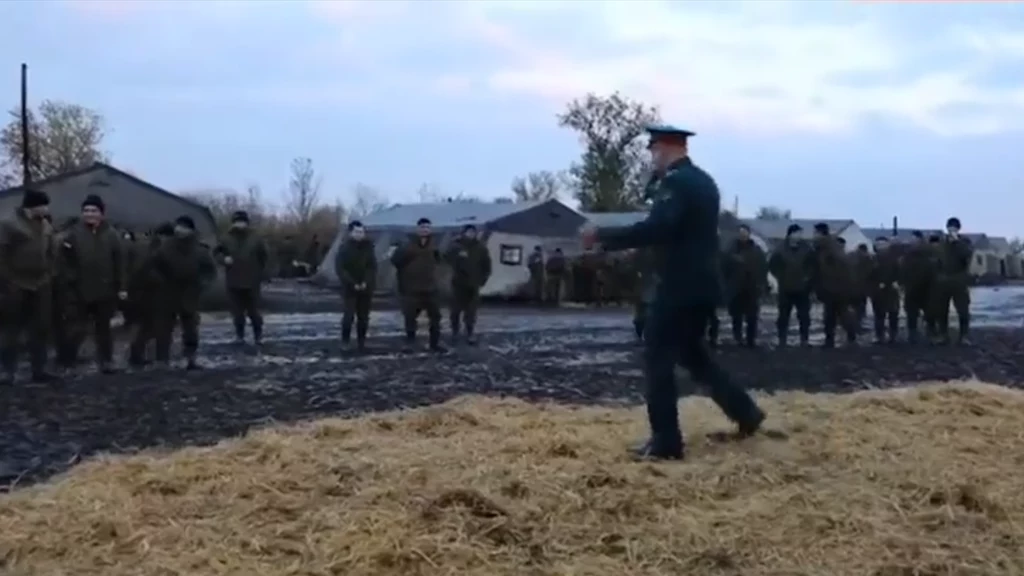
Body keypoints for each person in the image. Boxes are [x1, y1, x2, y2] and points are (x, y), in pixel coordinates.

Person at [581, 124, 764, 461]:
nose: (651, 157)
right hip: (702, 285)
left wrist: (603, 235)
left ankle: (666, 442)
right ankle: (746, 413)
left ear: (665, 148)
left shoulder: (677, 183)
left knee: (658, 359)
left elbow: (660, 227)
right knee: (695, 358)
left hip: (680, 285)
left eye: (653, 151)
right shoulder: (704, 181)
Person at [57, 194, 127, 373]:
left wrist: (122, 287)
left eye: (94, 210)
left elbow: (119, 262)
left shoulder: (112, 234)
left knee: (104, 329)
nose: (89, 214)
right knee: (76, 328)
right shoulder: (72, 234)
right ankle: (67, 362)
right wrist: (71, 280)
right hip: (79, 290)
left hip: (105, 289)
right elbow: (64, 261)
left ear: (101, 213)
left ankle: (106, 362)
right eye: (86, 210)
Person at [0, 189, 59, 384]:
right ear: (31, 206)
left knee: (40, 328)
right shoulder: (9, 223)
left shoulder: (45, 225)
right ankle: (7, 371)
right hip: (15, 283)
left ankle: (39, 369)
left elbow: (52, 252)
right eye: (43, 205)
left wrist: (49, 274)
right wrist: (7, 280)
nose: (46, 209)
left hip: (41, 283)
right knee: (12, 329)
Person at [146, 216, 216, 369]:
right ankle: (162, 359)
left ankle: (191, 358)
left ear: (191, 230)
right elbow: (153, 266)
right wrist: (159, 281)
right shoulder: (165, 247)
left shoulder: (199, 249)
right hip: (167, 291)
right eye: (178, 226)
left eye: (184, 227)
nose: (180, 229)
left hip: (190, 292)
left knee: (190, 328)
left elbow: (209, 271)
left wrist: (201, 285)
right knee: (163, 328)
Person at [214, 210, 269, 345]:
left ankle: (258, 335)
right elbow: (216, 252)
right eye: (237, 222)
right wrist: (223, 259)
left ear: (247, 223)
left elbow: (265, 256)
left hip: (252, 280)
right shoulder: (226, 238)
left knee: (254, 311)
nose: (240, 224)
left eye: (242, 222)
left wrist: (261, 273)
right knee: (237, 313)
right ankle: (240, 335)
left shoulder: (256, 238)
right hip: (233, 279)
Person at [390, 217, 444, 352]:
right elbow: (395, 261)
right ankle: (410, 343)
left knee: (435, 318)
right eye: (422, 227)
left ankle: (434, 343)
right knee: (410, 317)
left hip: (430, 288)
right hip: (411, 288)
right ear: (417, 229)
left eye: (427, 227)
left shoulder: (434, 245)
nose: (425, 230)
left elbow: (439, 261)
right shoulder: (407, 245)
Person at [127, 222, 174, 367]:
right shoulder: (160, 249)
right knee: (159, 328)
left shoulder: (144, 246)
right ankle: (160, 358)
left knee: (146, 328)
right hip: (154, 294)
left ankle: (138, 357)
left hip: (144, 294)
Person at [811, 223, 857, 348]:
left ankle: (833, 339)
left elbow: (828, 268)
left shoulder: (826, 247)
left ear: (820, 233)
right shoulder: (832, 245)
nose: (813, 235)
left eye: (815, 233)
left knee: (834, 314)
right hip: (837, 286)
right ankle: (846, 336)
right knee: (838, 313)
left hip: (833, 287)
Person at [445, 224, 492, 345]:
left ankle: (469, 332)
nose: (470, 234)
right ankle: (455, 331)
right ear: (464, 233)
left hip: (473, 284)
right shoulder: (456, 246)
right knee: (455, 310)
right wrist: (456, 253)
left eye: (473, 232)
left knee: (471, 311)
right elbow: (446, 258)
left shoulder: (480, 248)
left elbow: (487, 265)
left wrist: (482, 280)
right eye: (468, 232)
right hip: (458, 283)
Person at [334, 220, 377, 351]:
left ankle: (361, 341)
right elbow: (341, 269)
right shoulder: (344, 249)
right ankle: (345, 341)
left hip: (366, 287)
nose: (360, 234)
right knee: (349, 315)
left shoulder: (369, 248)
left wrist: (366, 282)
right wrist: (352, 283)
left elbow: (372, 266)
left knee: (363, 317)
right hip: (349, 288)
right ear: (351, 233)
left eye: (361, 232)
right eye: (357, 232)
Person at [722, 224, 767, 347]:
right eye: (741, 232)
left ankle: (751, 340)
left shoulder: (757, 251)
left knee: (752, 317)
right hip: (735, 288)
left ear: (749, 233)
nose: (743, 234)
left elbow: (763, 269)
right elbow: (724, 268)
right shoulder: (730, 250)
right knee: (736, 316)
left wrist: (762, 285)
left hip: (752, 288)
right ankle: (738, 338)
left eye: (745, 232)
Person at [768, 224, 813, 346]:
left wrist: (807, 278)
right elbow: (773, 264)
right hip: (785, 287)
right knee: (783, 316)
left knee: (804, 316)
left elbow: (813, 266)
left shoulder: (807, 249)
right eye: (797, 233)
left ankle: (804, 339)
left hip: (802, 288)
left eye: (800, 233)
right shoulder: (781, 248)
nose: (799, 236)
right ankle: (782, 339)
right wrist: (781, 276)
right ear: (790, 234)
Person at [933, 217, 973, 345]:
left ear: (958, 229)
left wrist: (957, 242)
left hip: (959, 280)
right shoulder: (942, 243)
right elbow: (937, 260)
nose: (951, 230)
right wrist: (938, 276)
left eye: (954, 228)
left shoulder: (964, 242)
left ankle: (964, 336)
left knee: (963, 309)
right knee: (941, 310)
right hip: (943, 281)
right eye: (950, 228)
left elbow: (966, 256)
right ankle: (943, 335)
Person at [900, 231, 939, 343]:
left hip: (926, 286)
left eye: (914, 239)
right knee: (912, 312)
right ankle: (914, 333)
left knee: (929, 311)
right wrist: (902, 283)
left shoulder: (928, 252)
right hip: (913, 287)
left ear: (920, 239)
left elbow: (935, 269)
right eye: (911, 239)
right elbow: (903, 269)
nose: (912, 241)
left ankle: (929, 331)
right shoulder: (908, 254)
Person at [868, 235, 901, 344]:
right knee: (879, 315)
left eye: (883, 244)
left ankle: (893, 335)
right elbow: (868, 275)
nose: (881, 246)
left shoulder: (894, 259)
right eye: (878, 244)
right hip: (877, 291)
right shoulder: (872, 259)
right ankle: (879, 335)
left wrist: (896, 282)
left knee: (893, 314)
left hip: (892, 290)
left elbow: (900, 272)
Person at [849, 243, 873, 332]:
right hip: (862, 287)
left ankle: (851, 325)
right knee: (860, 308)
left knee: (852, 307)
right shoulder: (867, 257)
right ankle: (858, 325)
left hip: (850, 287)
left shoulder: (849, 256)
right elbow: (870, 272)